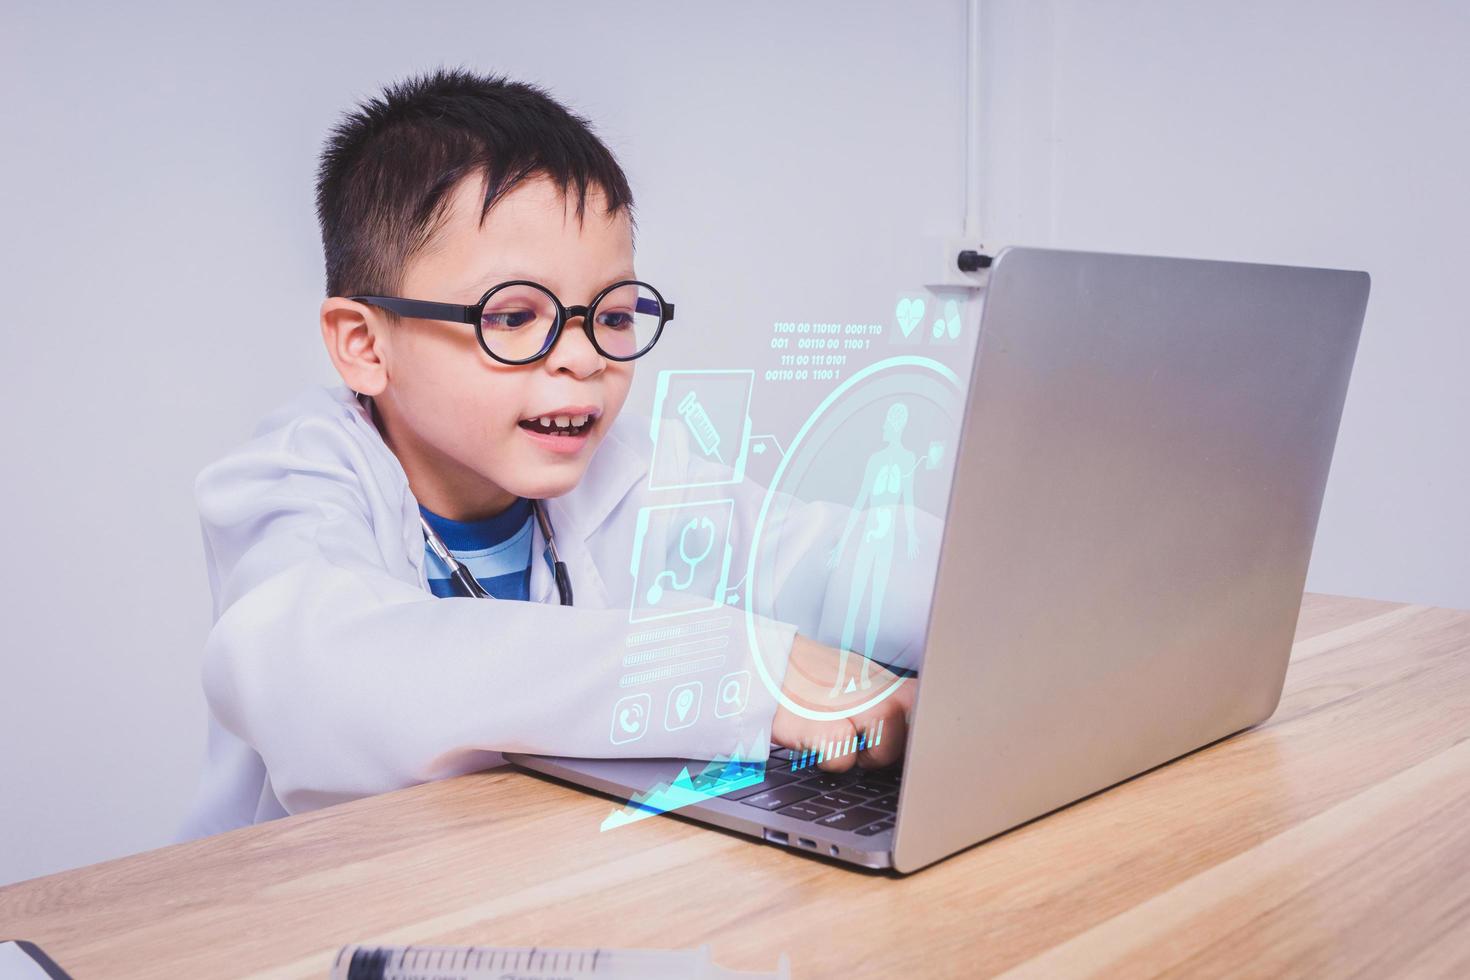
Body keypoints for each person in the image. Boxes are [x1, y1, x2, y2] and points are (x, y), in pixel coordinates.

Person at [175, 67, 938, 841]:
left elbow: (827, 562)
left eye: (611, 312)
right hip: (314, 915)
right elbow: (331, 679)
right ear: (365, 344)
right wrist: (714, 667)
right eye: (512, 315)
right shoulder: (291, 483)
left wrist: (1002, 595)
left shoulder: (631, 471)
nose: (583, 356)